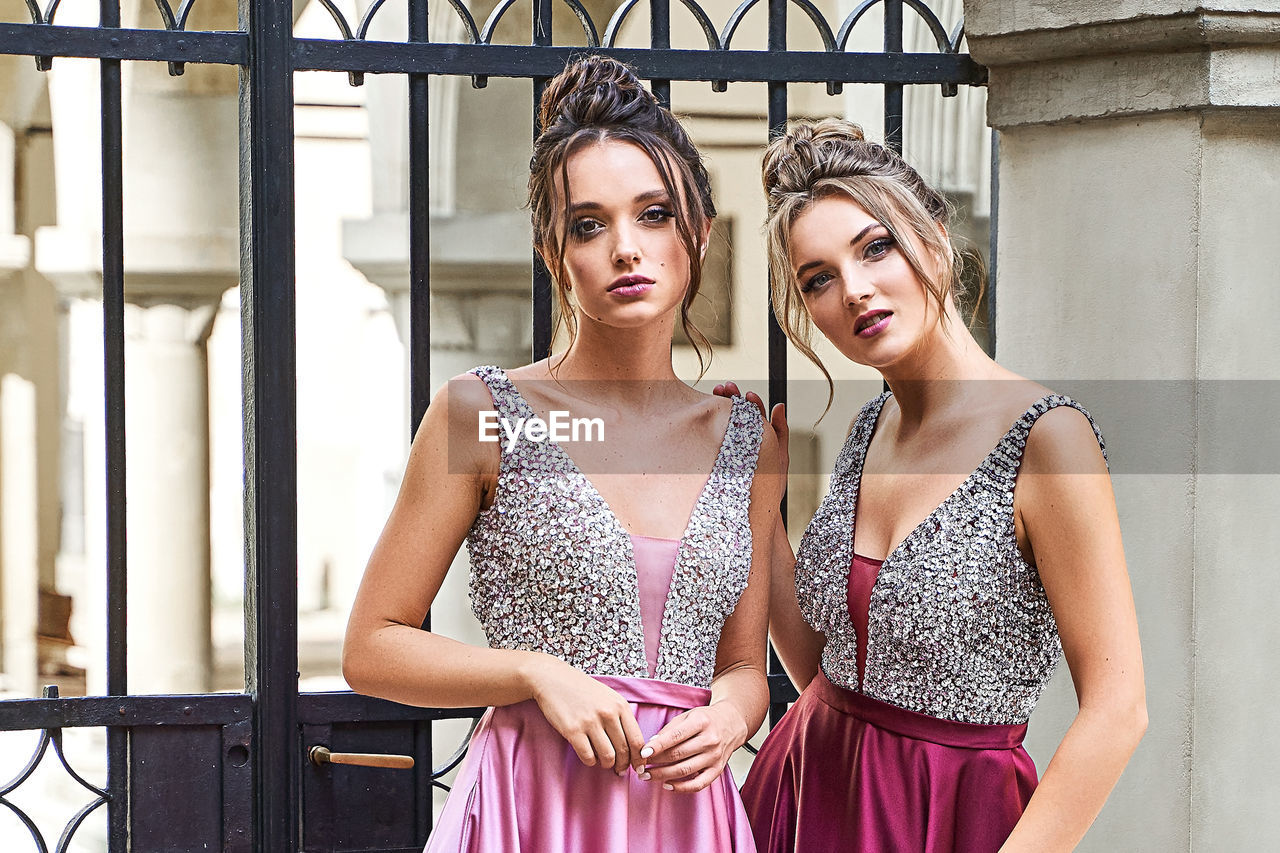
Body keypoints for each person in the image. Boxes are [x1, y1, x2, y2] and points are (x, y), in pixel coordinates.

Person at [342, 55, 780, 852]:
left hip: (686, 816)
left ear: (699, 235)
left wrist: (728, 716)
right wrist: (534, 672)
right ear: (553, 253)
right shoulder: (482, 416)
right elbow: (372, 644)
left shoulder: (744, 439)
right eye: (589, 224)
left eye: (653, 214)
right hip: (530, 806)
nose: (625, 248)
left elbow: (745, 665)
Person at [728, 119, 1146, 852]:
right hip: (805, 795)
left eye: (875, 247)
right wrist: (760, 509)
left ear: (934, 235)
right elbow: (831, 665)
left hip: (950, 817)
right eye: (818, 279)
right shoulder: (868, 428)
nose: (853, 291)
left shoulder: (1047, 439)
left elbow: (1118, 709)